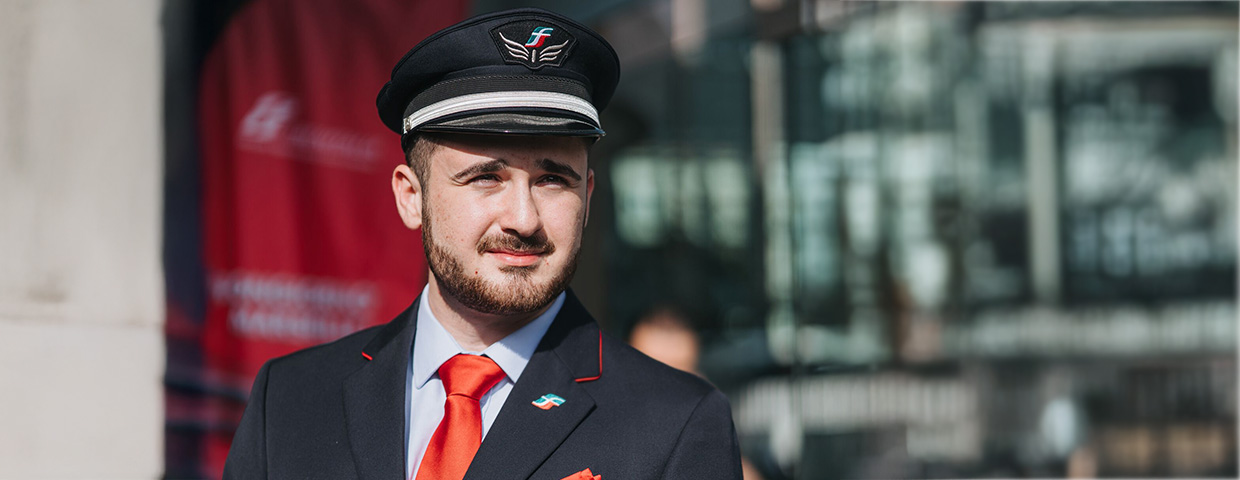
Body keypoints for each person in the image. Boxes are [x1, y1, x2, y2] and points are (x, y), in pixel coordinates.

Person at [223, 8, 742, 480]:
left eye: (553, 180)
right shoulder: (289, 401)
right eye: (485, 178)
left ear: (587, 197)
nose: (523, 219)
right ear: (411, 197)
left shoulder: (675, 424)